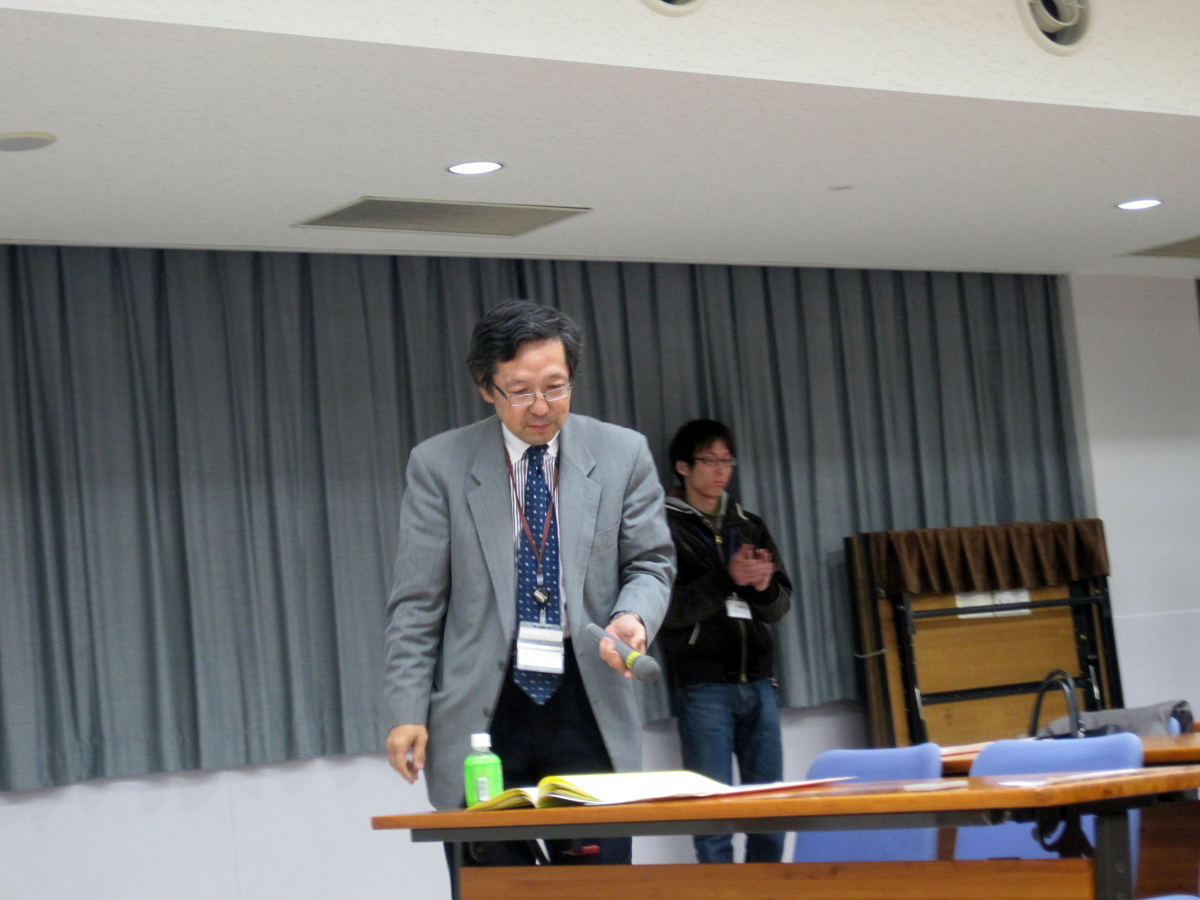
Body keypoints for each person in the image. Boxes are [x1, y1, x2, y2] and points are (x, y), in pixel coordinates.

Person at [383, 299, 674, 869]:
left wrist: (632, 615)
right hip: (485, 715)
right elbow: (417, 604)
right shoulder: (439, 465)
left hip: (588, 702)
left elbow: (651, 563)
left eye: (556, 387)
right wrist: (405, 710)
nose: (541, 407)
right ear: (485, 386)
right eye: (520, 391)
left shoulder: (623, 454)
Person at [659, 419, 793, 864]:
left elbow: (779, 607)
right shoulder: (663, 528)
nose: (721, 471)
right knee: (712, 818)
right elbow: (668, 611)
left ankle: (768, 892)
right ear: (683, 466)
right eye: (710, 461)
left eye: (727, 461)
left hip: (760, 683)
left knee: (770, 813)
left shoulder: (749, 525)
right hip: (704, 687)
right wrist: (727, 578)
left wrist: (763, 585)